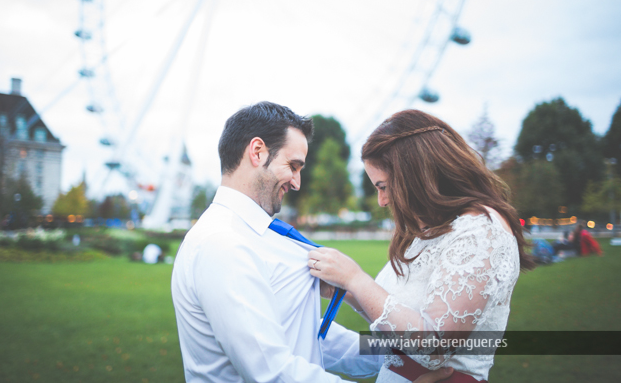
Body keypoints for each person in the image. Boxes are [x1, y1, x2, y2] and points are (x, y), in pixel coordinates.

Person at [172, 102, 453, 383]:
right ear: (257, 152)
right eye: (293, 166)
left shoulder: (256, 236)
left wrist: (403, 353)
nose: (297, 183)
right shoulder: (222, 244)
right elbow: (272, 371)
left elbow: (298, 332)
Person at [307, 110, 535, 383]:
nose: (381, 200)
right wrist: (344, 291)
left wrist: (356, 280)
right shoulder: (429, 229)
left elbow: (433, 346)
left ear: (414, 176)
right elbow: (396, 327)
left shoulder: (481, 230)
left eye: (384, 186)